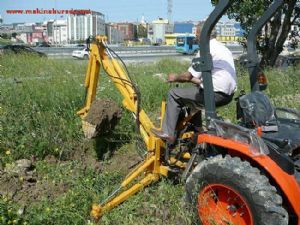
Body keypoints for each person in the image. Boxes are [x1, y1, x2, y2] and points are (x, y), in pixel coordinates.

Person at [151, 32, 237, 144]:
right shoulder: (223, 49)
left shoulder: (206, 49)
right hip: (227, 95)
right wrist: (193, 80)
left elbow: (187, 76)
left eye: (197, 34)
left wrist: (175, 77)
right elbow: (205, 78)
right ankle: (198, 129)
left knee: (174, 93)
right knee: (195, 93)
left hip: (214, 94)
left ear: (202, 34)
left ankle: (168, 133)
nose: (196, 37)